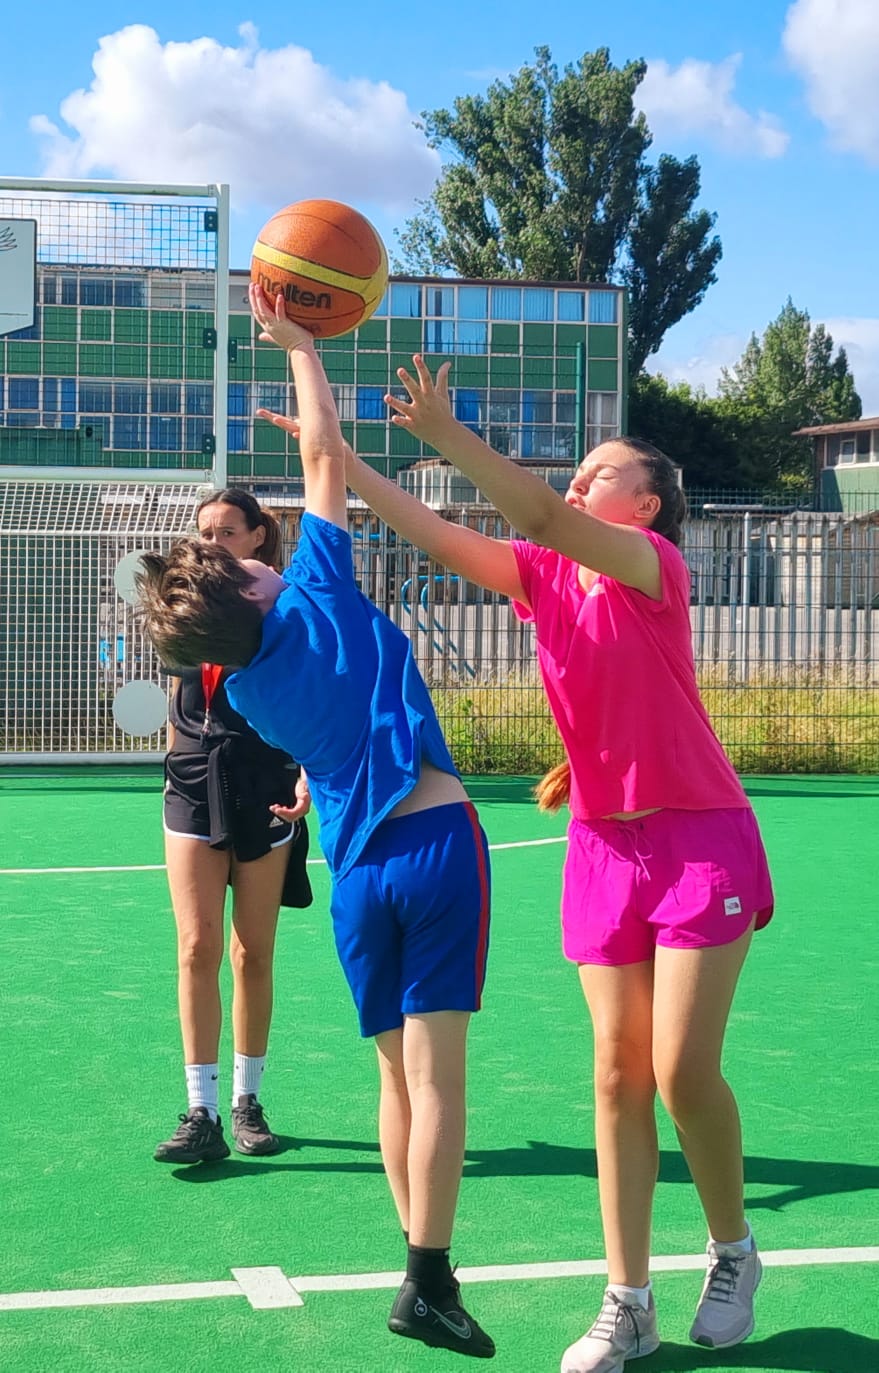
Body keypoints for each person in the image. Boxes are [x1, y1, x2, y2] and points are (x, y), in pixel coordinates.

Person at [340, 356, 774, 1373]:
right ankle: (628, 1302)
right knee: (616, 1073)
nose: (579, 480)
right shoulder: (544, 578)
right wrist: (341, 457)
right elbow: (434, 530)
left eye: (598, 469)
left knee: (677, 1066)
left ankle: (733, 1247)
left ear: (647, 501)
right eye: (578, 471)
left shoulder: (649, 566)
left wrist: (448, 435)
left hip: (698, 832)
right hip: (602, 847)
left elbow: (533, 507)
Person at [136, 286, 495, 1360]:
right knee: (438, 1082)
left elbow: (314, 486)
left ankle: (414, 1248)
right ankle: (426, 1276)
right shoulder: (314, 596)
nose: (254, 550)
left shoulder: (249, 690)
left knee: (395, 1078)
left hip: (353, 872)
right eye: (244, 558)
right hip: (433, 846)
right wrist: (300, 346)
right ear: (254, 587)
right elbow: (331, 462)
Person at [153, 487, 313, 1166]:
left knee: (252, 952)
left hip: (263, 787)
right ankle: (201, 1110)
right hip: (191, 786)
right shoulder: (183, 605)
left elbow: (311, 698)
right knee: (196, 948)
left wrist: (306, 773)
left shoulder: (282, 608)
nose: (212, 543)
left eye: (225, 532)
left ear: (256, 538)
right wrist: (173, 760)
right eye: (203, 533)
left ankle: (247, 1101)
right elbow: (176, 697)